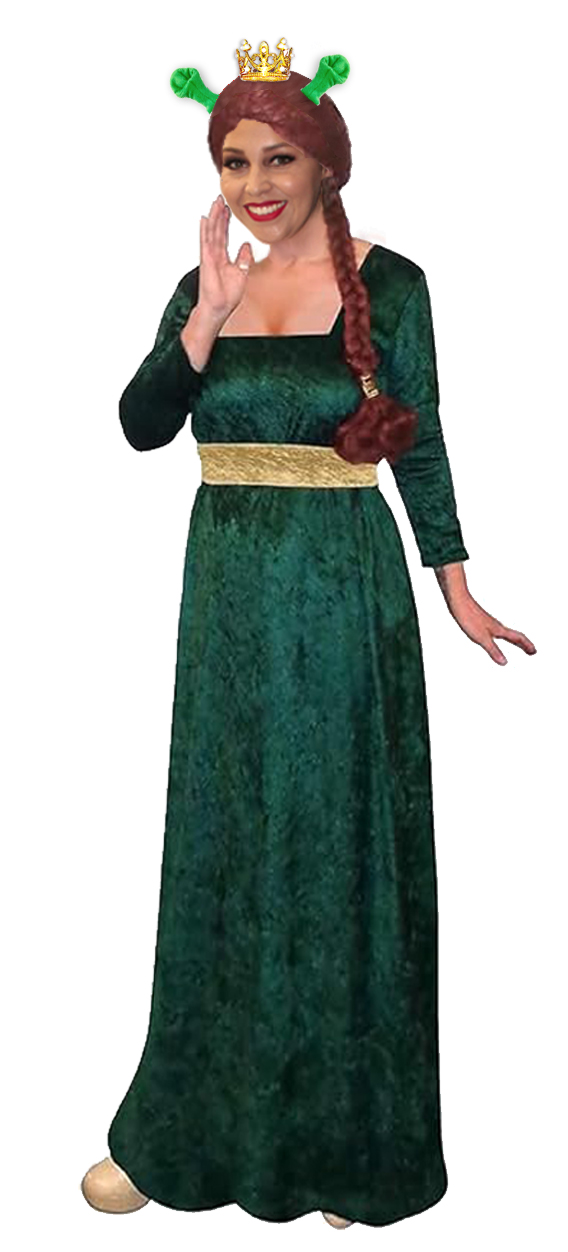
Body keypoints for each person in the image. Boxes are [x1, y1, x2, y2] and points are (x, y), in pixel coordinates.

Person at [80, 42, 537, 1229]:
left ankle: (345, 1145)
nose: (255, 184)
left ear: (326, 161)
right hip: (225, 600)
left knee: (332, 843)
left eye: (277, 159)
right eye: (233, 162)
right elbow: (141, 425)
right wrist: (205, 319)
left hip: (340, 593)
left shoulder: (396, 285)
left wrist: (454, 582)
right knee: (223, 839)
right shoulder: (204, 286)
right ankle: (184, 1131)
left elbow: (420, 439)